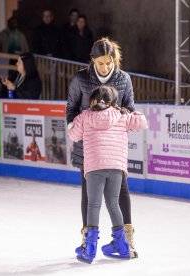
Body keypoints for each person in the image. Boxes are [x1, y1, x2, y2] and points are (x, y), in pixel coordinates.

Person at [66, 38, 138, 258]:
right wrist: (74, 128)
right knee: (89, 193)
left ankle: (126, 237)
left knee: (121, 190)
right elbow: (71, 108)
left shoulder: (123, 79)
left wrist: (122, 114)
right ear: (92, 61)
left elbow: (131, 108)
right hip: (87, 145)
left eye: (108, 63)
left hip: (113, 147)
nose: (104, 67)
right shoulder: (80, 79)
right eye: (100, 63)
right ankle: (88, 238)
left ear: (113, 59)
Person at [68, 85, 147, 263]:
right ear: (113, 102)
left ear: (93, 100)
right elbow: (142, 122)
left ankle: (89, 249)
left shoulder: (85, 116)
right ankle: (122, 246)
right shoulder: (121, 115)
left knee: (93, 204)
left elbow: (73, 135)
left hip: (95, 166)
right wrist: (129, 112)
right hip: (116, 166)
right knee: (113, 203)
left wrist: (73, 123)